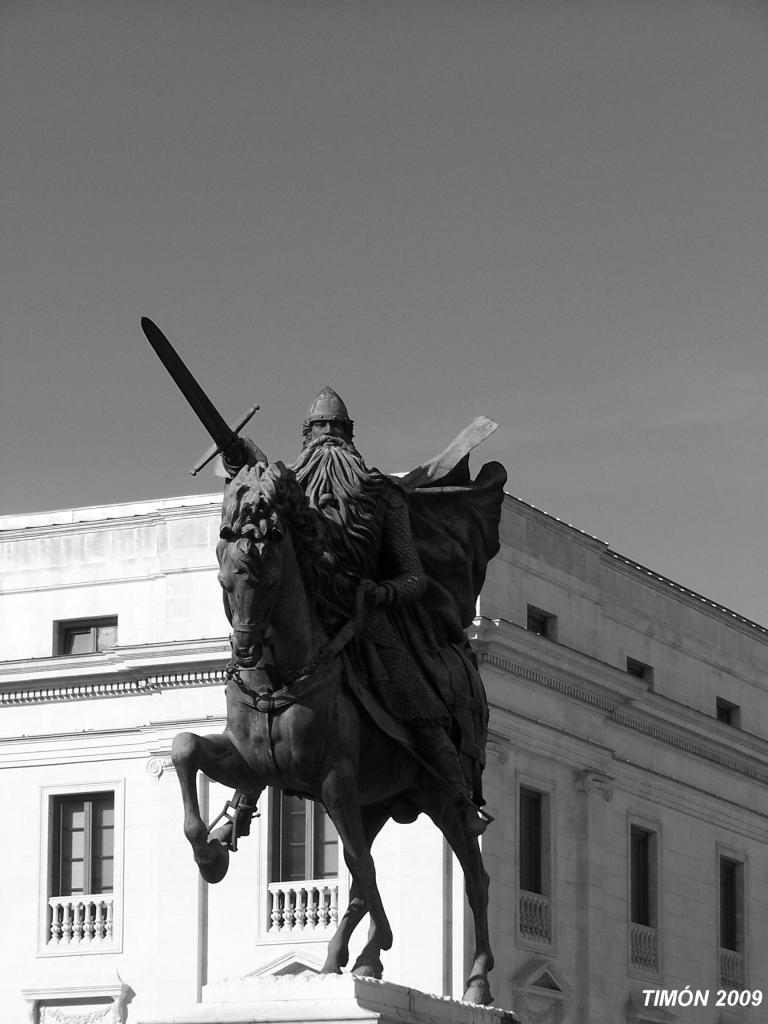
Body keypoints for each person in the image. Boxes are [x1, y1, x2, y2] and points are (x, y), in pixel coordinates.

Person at [224, 386, 489, 835]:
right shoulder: (289, 490)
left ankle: (457, 796)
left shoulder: (382, 494)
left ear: (348, 436)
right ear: (307, 437)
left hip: (367, 618)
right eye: (320, 429)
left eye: (334, 429)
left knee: (417, 698)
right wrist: (239, 463)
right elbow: (256, 511)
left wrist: (381, 593)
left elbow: (414, 578)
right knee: (254, 682)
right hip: (307, 613)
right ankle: (241, 806)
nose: (327, 437)